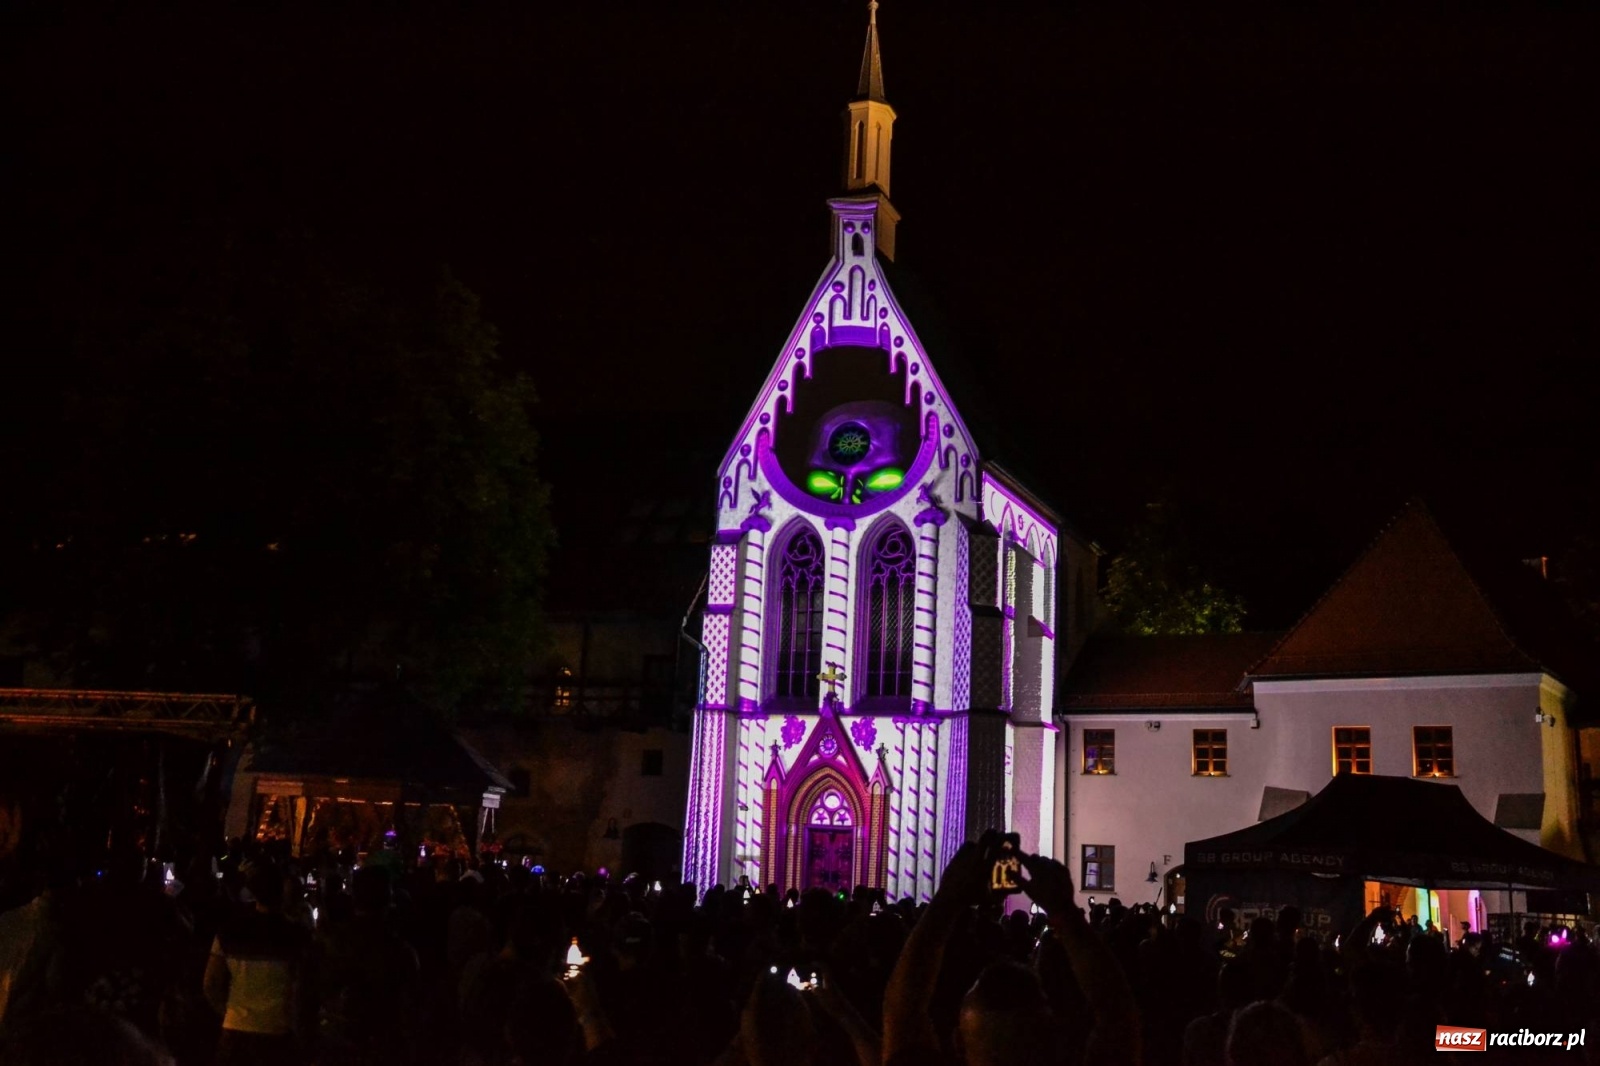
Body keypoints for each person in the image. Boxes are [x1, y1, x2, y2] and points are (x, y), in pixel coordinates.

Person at [204, 858, 311, 1066]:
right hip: (278, 1032)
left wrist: (230, 1013)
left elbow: (211, 984)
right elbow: (303, 989)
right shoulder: (297, 936)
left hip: (235, 1031)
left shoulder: (229, 932)